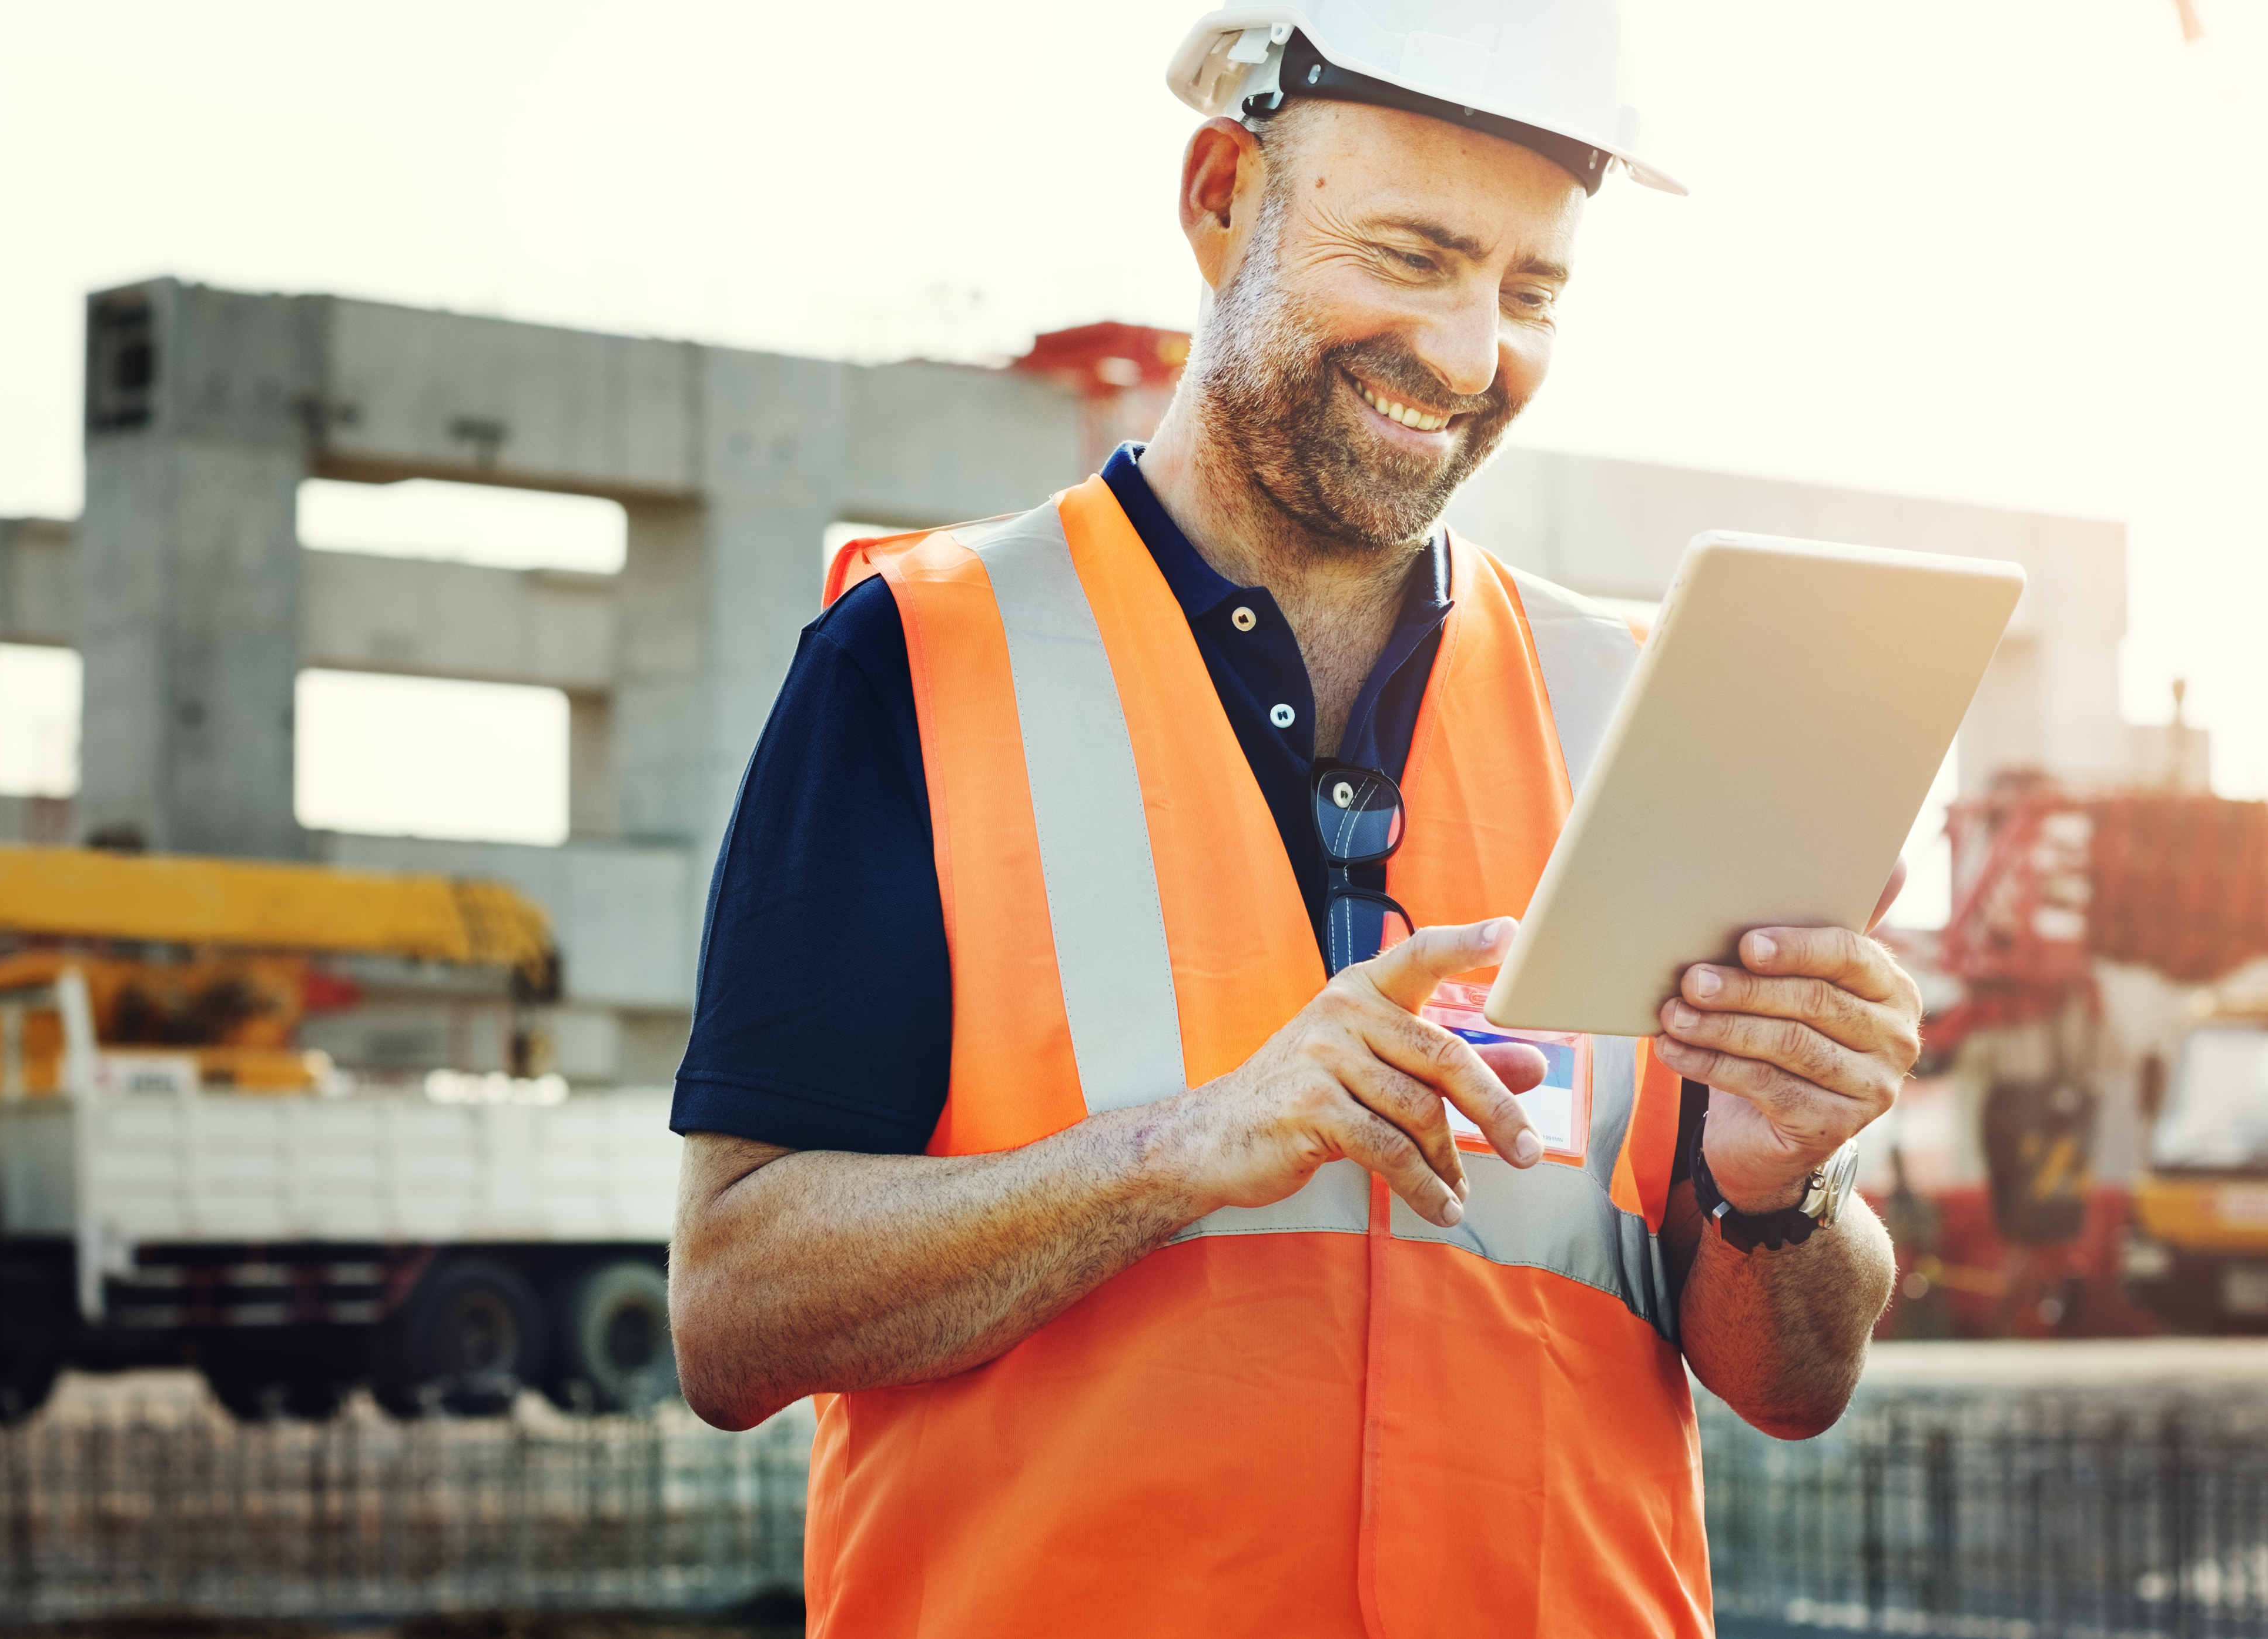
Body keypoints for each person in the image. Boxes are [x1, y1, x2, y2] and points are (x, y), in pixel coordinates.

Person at [666, 5, 1917, 1634]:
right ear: (1220, 198)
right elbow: (734, 1314)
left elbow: (1794, 1382)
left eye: (1531, 292)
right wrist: (1182, 1149)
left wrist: (1780, 1183)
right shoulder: (919, 656)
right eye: (1411, 255)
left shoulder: (1632, 710)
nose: (1468, 354)